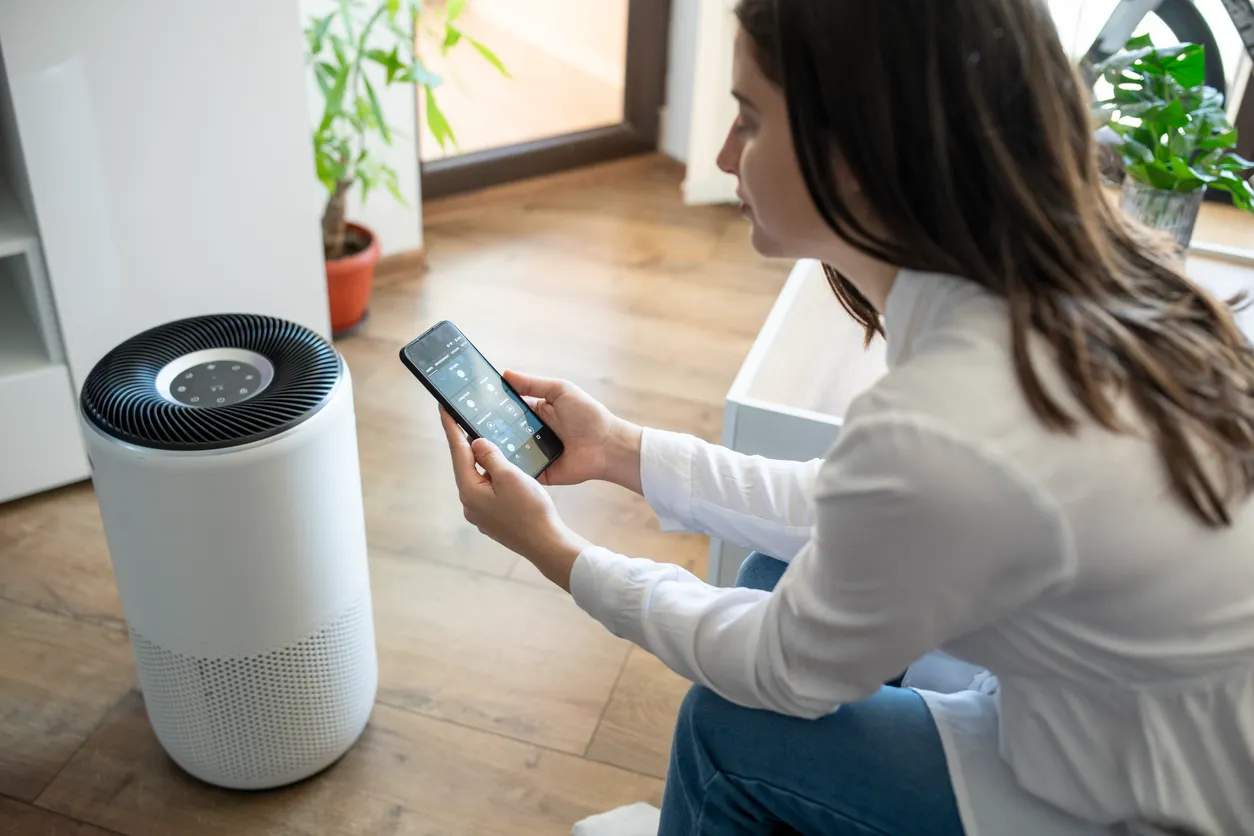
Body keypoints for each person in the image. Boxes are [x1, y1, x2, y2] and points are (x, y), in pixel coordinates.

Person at [437, 0, 1254, 833]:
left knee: (724, 730)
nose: (724, 155)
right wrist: (619, 450)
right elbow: (855, 506)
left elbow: (782, 670)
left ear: (858, 147)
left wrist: (557, 552)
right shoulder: (1068, 288)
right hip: (1105, 720)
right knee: (771, 573)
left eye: (749, 120)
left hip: (1142, 803)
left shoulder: (955, 415)